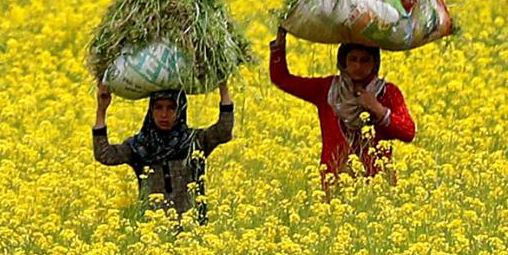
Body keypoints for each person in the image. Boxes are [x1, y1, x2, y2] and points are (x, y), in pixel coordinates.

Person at [269, 27, 415, 191]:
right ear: (343, 61)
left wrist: (378, 109)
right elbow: (282, 80)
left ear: (375, 64)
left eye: (365, 60)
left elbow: (408, 132)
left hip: (377, 184)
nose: (358, 66)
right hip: (335, 181)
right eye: (353, 59)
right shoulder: (327, 89)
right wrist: (279, 44)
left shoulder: (387, 92)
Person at [92, 82, 235, 224]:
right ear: (151, 111)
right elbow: (105, 155)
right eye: (158, 108)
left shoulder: (194, 141)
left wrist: (223, 87)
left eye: (171, 108)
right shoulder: (139, 146)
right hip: (152, 230)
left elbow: (224, 130)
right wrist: (101, 110)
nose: (164, 115)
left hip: (193, 228)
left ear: (181, 110)